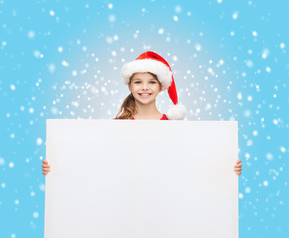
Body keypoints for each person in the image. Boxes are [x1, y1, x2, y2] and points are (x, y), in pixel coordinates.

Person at [42, 51, 242, 175]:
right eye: (138, 82)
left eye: (151, 82)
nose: (144, 88)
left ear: (161, 87)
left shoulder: (173, 128)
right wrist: (58, 168)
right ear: (129, 85)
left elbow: (191, 165)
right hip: (126, 205)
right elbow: (97, 162)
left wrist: (225, 169)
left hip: (164, 205)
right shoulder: (117, 125)